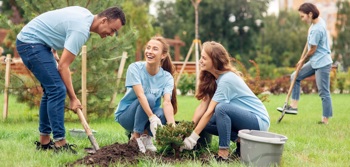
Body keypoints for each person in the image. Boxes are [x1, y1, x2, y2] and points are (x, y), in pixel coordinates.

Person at [16, 6, 126, 153]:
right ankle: (60, 144)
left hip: (38, 43)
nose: (112, 35)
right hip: (31, 43)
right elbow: (63, 67)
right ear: (104, 20)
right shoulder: (81, 30)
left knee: (51, 90)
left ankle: (44, 142)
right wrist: (73, 99)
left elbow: (58, 22)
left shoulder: (85, 15)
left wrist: (53, 48)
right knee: (57, 89)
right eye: (112, 30)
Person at [180, 41, 270, 160]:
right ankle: (242, 141)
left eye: (204, 58)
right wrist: (187, 130)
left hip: (258, 121)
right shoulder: (213, 78)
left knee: (221, 108)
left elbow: (210, 110)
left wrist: (193, 138)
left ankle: (223, 154)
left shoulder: (227, 79)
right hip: (244, 120)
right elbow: (203, 106)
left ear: (215, 61)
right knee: (206, 122)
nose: (200, 60)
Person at [115, 36, 177, 153]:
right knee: (149, 97)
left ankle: (145, 136)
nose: (149, 51)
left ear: (163, 55)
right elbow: (140, 96)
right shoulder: (135, 68)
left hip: (147, 116)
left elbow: (167, 102)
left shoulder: (167, 77)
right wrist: (152, 117)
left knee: (163, 114)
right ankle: (136, 137)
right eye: (148, 48)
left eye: (154, 49)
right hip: (127, 116)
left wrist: (172, 128)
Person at [277, 2, 333, 125]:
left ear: (310, 14)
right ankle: (294, 105)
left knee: (324, 92)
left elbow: (312, 49)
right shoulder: (317, 22)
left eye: (302, 16)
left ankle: (325, 120)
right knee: (295, 76)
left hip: (322, 63)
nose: (302, 19)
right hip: (314, 61)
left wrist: (302, 61)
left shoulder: (317, 29)